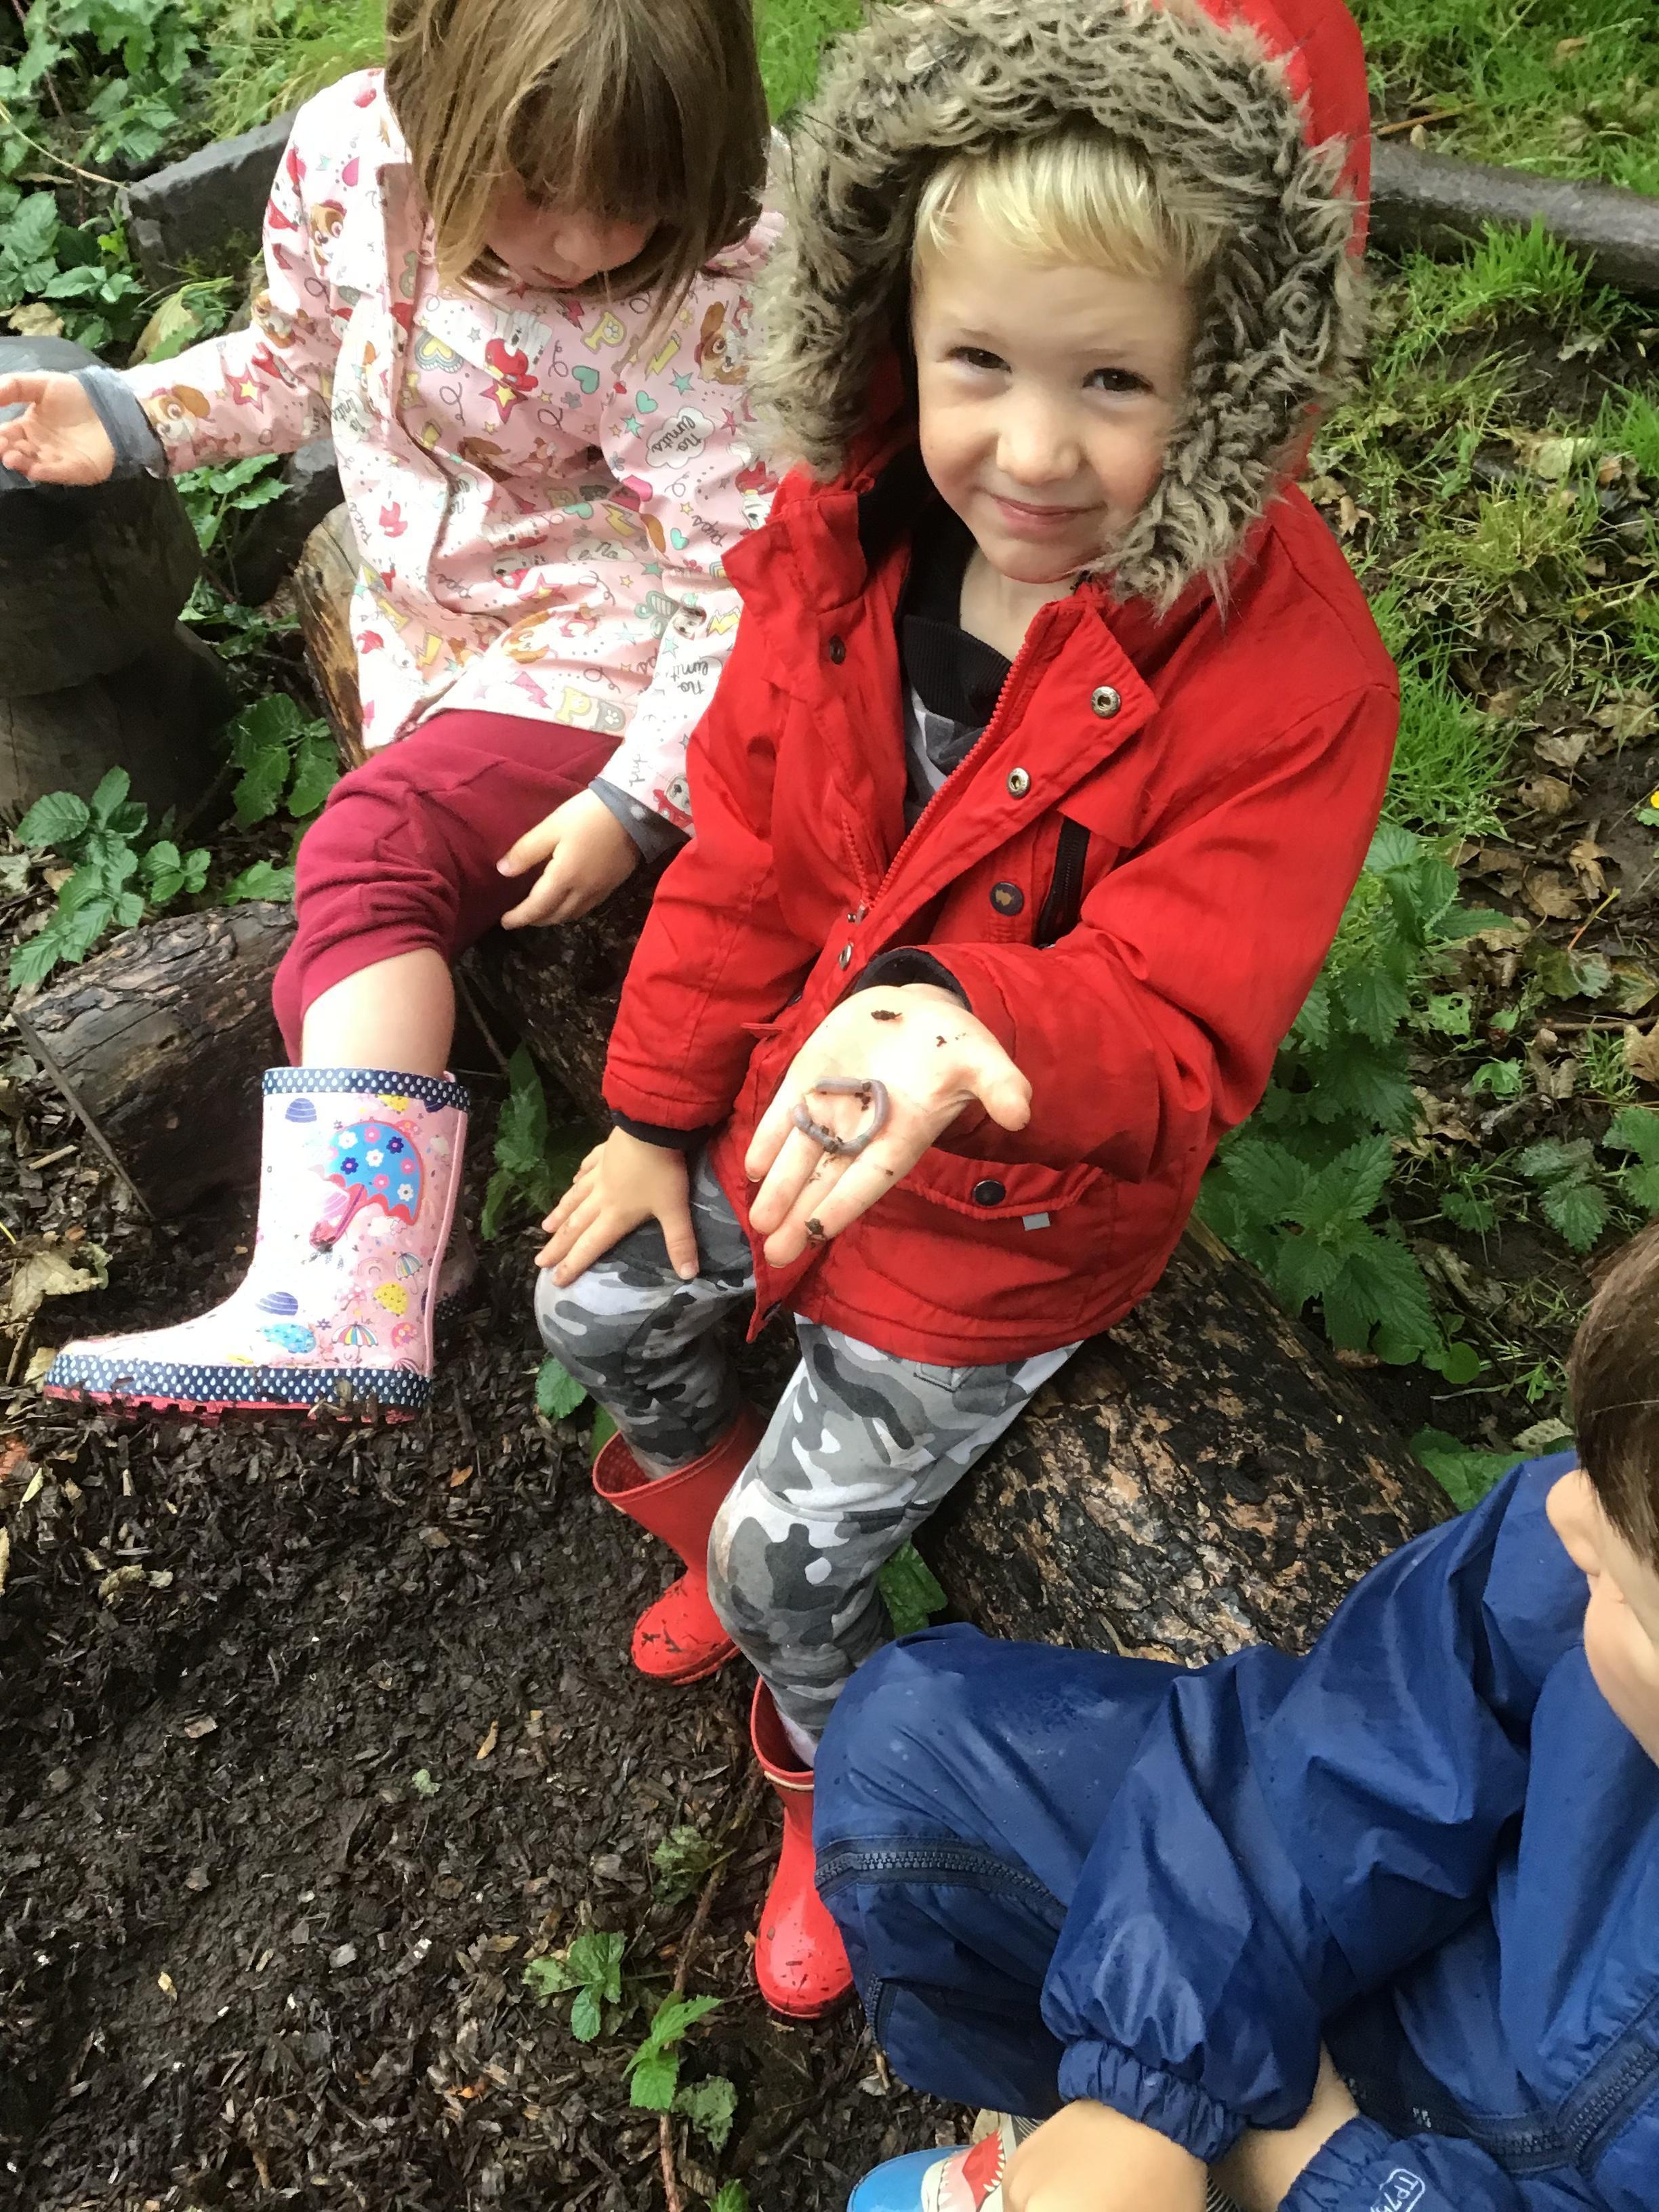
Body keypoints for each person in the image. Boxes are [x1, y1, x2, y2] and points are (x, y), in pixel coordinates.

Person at [534, 0, 1395, 2019]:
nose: (1033, 450)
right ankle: (725, 1535)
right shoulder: (845, 548)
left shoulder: (1284, 679)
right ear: (886, 331)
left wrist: (973, 1022)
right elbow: (751, 845)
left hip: (1008, 1223)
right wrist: (651, 1113)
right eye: (980, 365)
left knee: (790, 1566)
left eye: (1119, 383)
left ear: (1235, 377)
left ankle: (840, 1771)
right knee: (597, 1304)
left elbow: (1176, 1026)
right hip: (795, 1105)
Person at [0, 0, 779, 1420]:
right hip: (433, 635)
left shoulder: (710, 289)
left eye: (627, 209)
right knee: (330, 966)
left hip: (618, 647)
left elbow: (739, 584)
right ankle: (408, 1252)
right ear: (439, 102)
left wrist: (640, 797)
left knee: (370, 856)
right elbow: (289, 364)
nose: (576, 247)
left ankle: (343, 1300)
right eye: (532, 193)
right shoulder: (351, 157)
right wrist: (125, 415)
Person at [822, 1223, 1659, 2212]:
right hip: (1430, 1964)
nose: (1565, 1514)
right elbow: (1388, 1714)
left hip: (1407, 2176)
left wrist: (1321, 2172)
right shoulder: (1594, 1532)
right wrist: (1149, 2086)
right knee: (904, 1748)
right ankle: (1089, 2132)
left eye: (1627, 1573)